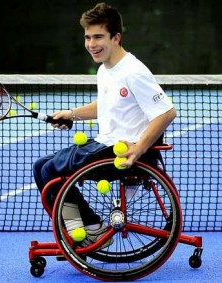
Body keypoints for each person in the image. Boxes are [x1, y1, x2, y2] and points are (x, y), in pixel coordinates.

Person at [33, 2, 177, 247]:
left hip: (121, 152)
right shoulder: (106, 69)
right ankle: (89, 228)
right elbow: (106, 104)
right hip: (105, 145)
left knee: (48, 171)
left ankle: (89, 231)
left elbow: (167, 112)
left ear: (116, 37)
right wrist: (71, 114)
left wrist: (139, 148)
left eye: (99, 36)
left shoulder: (133, 71)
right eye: (88, 37)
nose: (91, 44)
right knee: (41, 166)